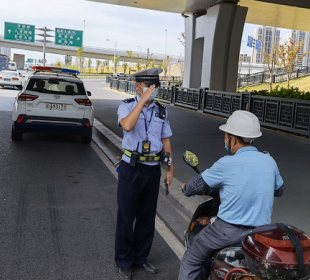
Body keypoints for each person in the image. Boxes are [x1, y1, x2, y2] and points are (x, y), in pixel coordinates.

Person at [178, 110, 285, 280]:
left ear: (232, 139)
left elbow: (194, 186)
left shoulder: (226, 163)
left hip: (226, 232)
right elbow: (279, 191)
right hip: (259, 234)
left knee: (191, 259)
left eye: (226, 135)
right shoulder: (269, 161)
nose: (225, 139)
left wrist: (185, 188)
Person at [115, 68, 174, 279]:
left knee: (147, 217)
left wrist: (170, 168)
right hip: (131, 168)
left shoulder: (161, 110)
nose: (153, 90)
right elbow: (128, 125)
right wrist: (143, 100)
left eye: (155, 87)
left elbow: (165, 139)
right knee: (126, 215)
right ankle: (124, 260)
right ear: (138, 86)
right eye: (149, 86)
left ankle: (141, 258)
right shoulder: (127, 106)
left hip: (152, 169)